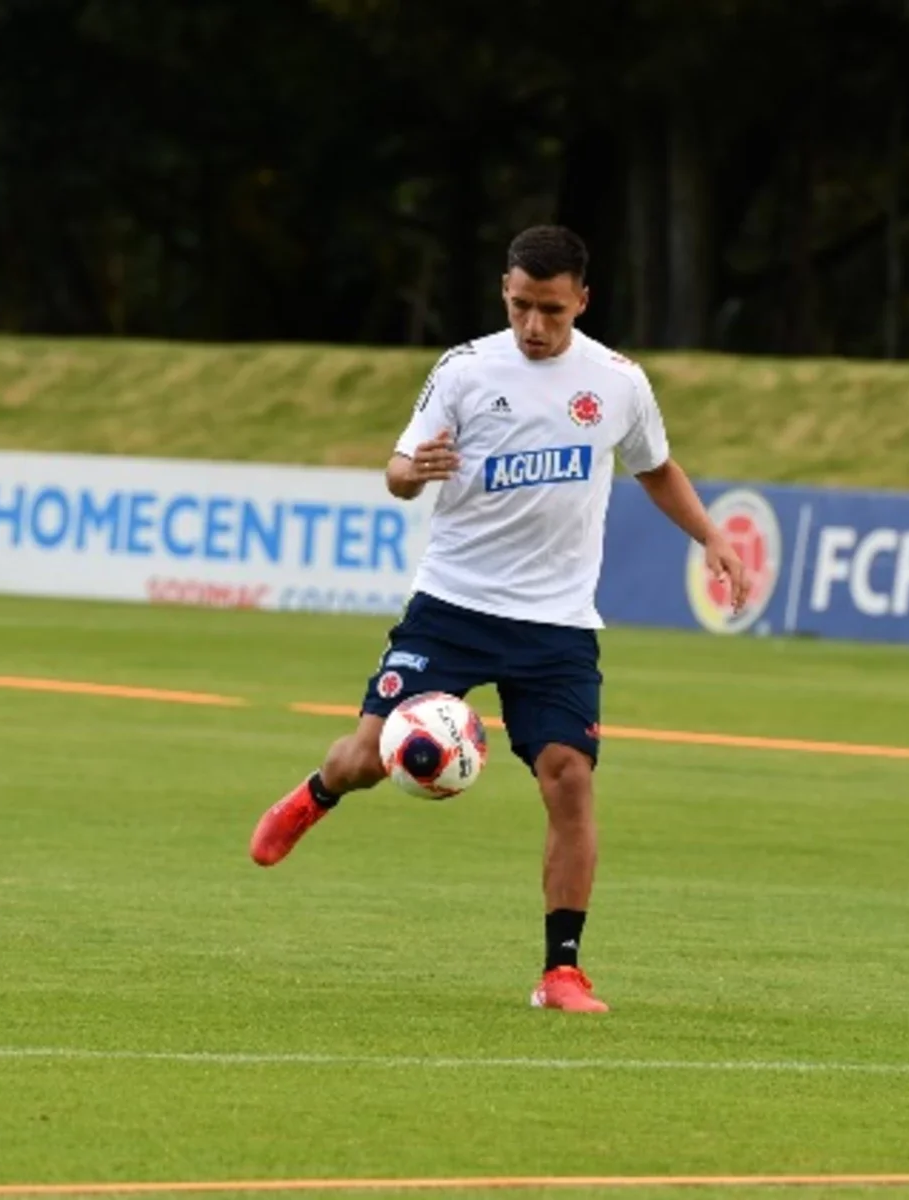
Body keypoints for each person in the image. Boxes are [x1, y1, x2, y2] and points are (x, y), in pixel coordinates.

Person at [249, 224, 750, 1013]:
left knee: (570, 780)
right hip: (452, 606)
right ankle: (317, 792)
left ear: (582, 299)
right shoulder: (465, 370)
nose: (533, 325)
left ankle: (562, 972)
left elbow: (655, 468)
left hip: (555, 624)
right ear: (504, 292)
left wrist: (714, 534)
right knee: (369, 758)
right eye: (520, 305)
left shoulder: (618, 382)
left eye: (551, 309)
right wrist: (415, 472)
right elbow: (397, 470)